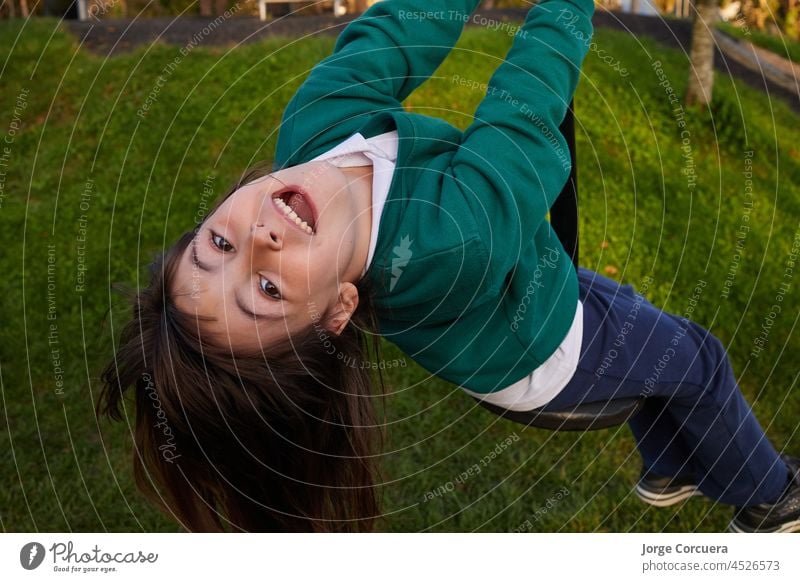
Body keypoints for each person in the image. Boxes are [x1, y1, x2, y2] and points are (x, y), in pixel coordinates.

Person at [97, 0, 800, 533]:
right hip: (548, 347)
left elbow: (395, 31)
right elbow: (523, 113)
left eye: (218, 246)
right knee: (697, 360)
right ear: (339, 310)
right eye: (269, 289)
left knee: (646, 330)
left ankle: (672, 462)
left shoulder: (312, 132)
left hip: (521, 293)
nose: (259, 243)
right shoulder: (445, 240)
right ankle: (769, 500)